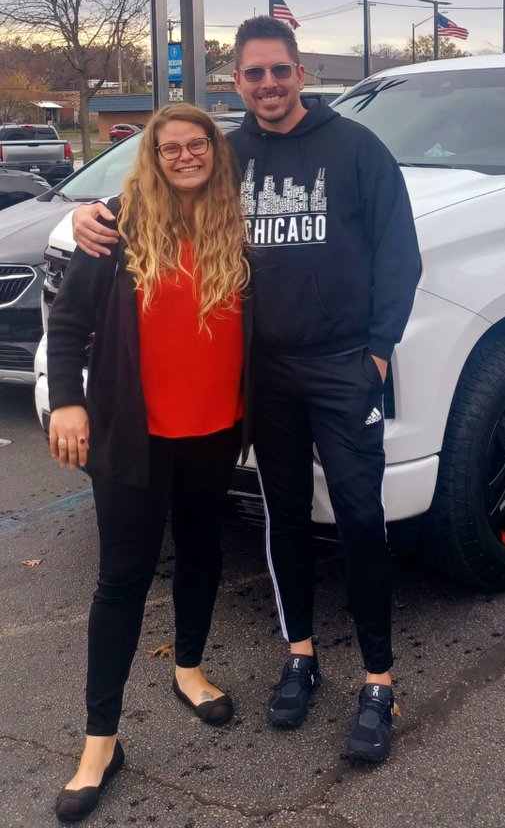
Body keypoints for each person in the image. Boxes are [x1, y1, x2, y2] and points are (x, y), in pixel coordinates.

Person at [72, 18, 421, 764]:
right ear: (237, 82)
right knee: (283, 516)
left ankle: (377, 681)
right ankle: (300, 657)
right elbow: (159, 182)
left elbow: (399, 253)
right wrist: (85, 215)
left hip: (339, 365)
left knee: (360, 518)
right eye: (253, 74)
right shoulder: (229, 153)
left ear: (300, 74)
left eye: (279, 71)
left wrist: (380, 353)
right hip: (263, 375)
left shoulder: (357, 149)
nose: (267, 85)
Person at [49, 104, 250, 823]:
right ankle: (100, 742)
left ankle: (188, 670)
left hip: (214, 430)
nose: (187, 156)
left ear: (214, 154)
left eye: (199, 145)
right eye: (172, 148)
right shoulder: (114, 226)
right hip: (133, 434)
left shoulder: (239, 224)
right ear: (153, 157)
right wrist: (66, 402)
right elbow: (68, 322)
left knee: (201, 554)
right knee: (122, 581)